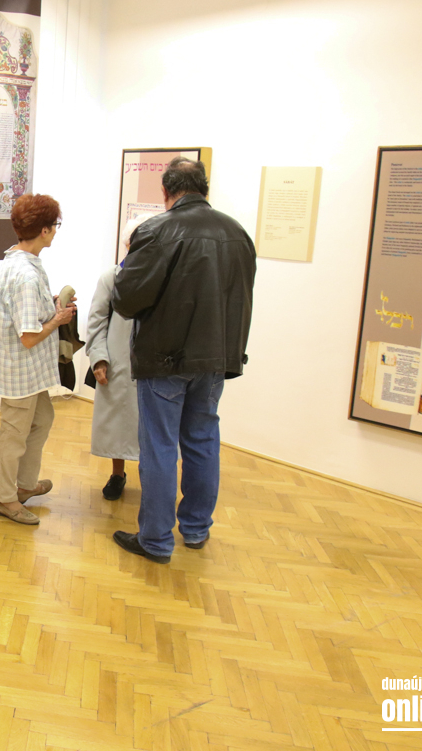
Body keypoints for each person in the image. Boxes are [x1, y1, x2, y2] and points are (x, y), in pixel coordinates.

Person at [111, 157, 256, 563]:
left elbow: (125, 299)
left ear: (165, 191)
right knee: (203, 440)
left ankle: (156, 540)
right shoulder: (238, 234)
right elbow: (241, 298)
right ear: (205, 188)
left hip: (165, 360)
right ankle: (195, 529)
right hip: (215, 358)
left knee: (159, 446)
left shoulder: (157, 231)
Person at [0, 194, 76, 525]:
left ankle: (25, 485)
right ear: (44, 230)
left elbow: (26, 313)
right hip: (21, 371)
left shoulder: (20, 262)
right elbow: (28, 336)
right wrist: (58, 319)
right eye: (55, 225)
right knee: (13, 436)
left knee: (42, 420)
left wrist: (51, 305)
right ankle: (5, 498)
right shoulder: (25, 274)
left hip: (31, 372)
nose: (55, 231)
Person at [86, 214, 154, 500]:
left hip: (154, 365)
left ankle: (153, 479)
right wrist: (99, 358)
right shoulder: (111, 278)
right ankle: (117, 474)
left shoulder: (163, 279)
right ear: (128, 244)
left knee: (153, 426)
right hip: (118, 363)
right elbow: (96, 321)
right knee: (119, 422)